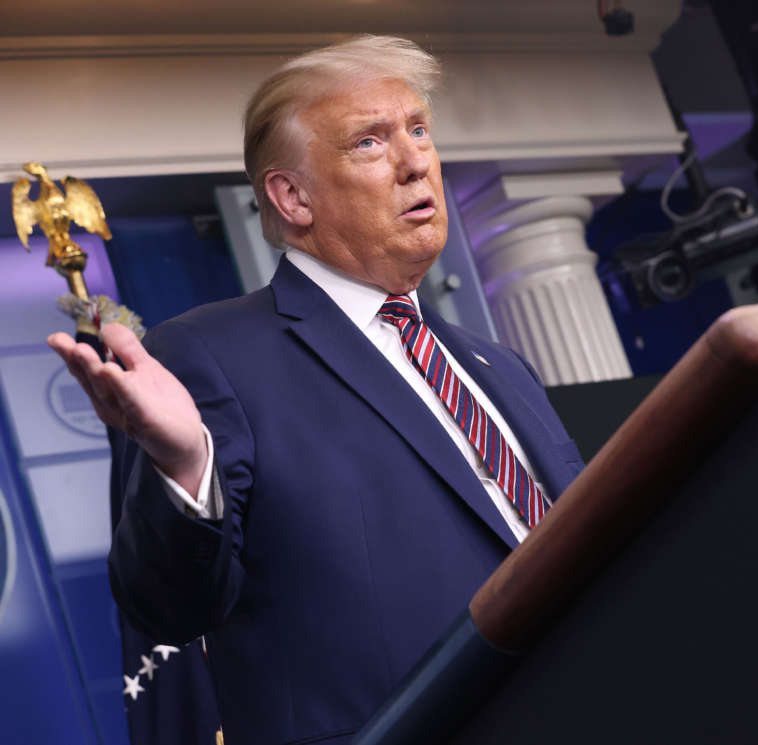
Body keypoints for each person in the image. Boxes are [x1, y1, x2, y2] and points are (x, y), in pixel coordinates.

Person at [48, 36, 584, 745]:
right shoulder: (210, 354)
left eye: (419, 130)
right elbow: (168, 605)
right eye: (370, 142)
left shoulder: (499, 366)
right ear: (292, 196)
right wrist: (184, 470)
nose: (415, 160)